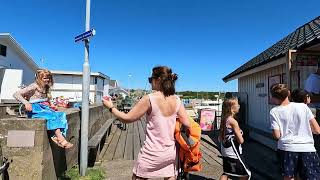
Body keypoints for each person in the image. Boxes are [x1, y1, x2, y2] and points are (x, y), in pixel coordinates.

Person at [102, 66, 190, 180]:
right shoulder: (177, 99)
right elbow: (187, 123)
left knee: (137, 177)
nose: (149, 83)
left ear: (158, 80)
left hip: (152, 152)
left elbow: (127, 118)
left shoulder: (150, 98)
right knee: (169, 176)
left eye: (150, 79)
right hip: (170, 151)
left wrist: (111, 107)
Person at [270, 84, 320, 180]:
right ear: (288, 93)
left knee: (289, 177)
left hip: (286, 149)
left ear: (273, 97)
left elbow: (277, 135)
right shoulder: (303, 106)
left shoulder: (274, 111)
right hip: (307, 148)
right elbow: (317, 130)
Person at [13, 69, 73, 149]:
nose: (47, 80)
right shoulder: (34, 86)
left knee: (61, 115)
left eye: (48, 78)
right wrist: (26, 103)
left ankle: (55, 135)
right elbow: (16, 94)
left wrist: (51, 105)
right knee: (52, 116)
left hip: (44, 108)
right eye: (45, 78)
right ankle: (60, 138)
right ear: (39, 78)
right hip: (35, 109)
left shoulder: (46, 87)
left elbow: (45, 99)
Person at [219, 97, 250, 180]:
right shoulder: (233, 122)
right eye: (237, 105)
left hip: (225, 150)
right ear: (232, 108)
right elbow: (241, 140)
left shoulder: (224, 119)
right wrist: (240, 133)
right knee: (245, 174)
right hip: (233, 152)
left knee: (227, 172)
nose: (239, 106)